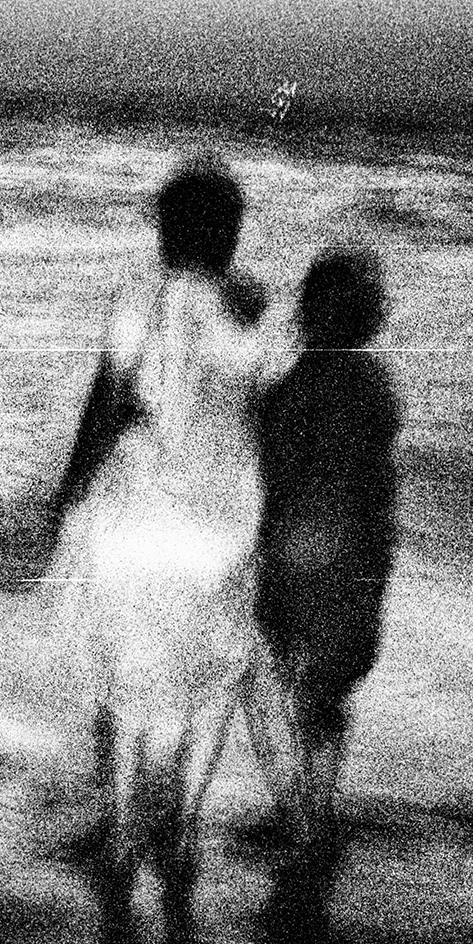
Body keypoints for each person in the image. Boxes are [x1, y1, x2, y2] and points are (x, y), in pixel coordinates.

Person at [43, 159, 285, 873]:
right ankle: (176, 827)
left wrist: (64, 497)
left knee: (129, 673)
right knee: (201, 676)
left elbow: (107, 407)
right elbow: (273, 423)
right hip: (224, 522)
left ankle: (123, 830)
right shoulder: (258, 314)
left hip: (140, 514)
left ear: (166, 228)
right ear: (230, 234)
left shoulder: (141, 301)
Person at [252, 248, 400, 842]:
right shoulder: (373, 389)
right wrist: (377, 571)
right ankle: (314, 807)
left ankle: (299, 809)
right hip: (346, 553)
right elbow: (377, 490)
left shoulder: (289, 388)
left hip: (295, 550)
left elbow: (271, 480)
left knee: (286, 683)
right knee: (324, 693)